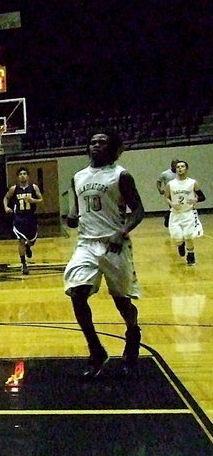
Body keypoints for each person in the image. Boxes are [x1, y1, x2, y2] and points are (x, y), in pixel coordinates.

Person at [64, 131, 144, 378]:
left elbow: (138, 210)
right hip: (86, 244)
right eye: (92, 142)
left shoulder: (120, 175)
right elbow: (76, 208)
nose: (96, 145)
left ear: (112, 148)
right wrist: (72, 215)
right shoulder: (78, 176)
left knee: (122, 301)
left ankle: (133, 332)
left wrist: (122, 232)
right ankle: (96, 350)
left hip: (114, 243)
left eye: (102, 142)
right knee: (77, 294)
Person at [3, 167, 44, 275]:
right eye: (20, 174)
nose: (22, 175)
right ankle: (24, 264)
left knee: (32, 241)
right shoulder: (14, 188)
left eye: (25, 173)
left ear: (28, 176)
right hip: (19, 218)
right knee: (20, 240)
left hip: (31, 217)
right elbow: (6, 198)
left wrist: (33, 200)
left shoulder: (33, 187)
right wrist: (6, 207)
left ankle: (28, 246)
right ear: (18, 177)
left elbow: (41, 199)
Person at [165, 160, 205, 265]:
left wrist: (196, 200)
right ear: (175, 169)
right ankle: (180, 244)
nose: (180, 168)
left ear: (186, 169)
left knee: (188, 235)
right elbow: (166, 197)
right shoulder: (170, 184)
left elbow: (202, 197)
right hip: (175, 213)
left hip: (188, 213)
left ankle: (191, 255)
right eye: (178, 167)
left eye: (182, 166)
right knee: (177, 237)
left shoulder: (192, 182)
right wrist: (172, 204)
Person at [156, 159, 178, 228]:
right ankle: (168, 217)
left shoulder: (180, 173)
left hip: (179, 192)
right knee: (174, 207)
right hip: (170, 194)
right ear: (171, 165)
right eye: (175, 164)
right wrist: (160, 189)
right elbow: (159, 181)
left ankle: (169, 217)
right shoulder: (165, 174)